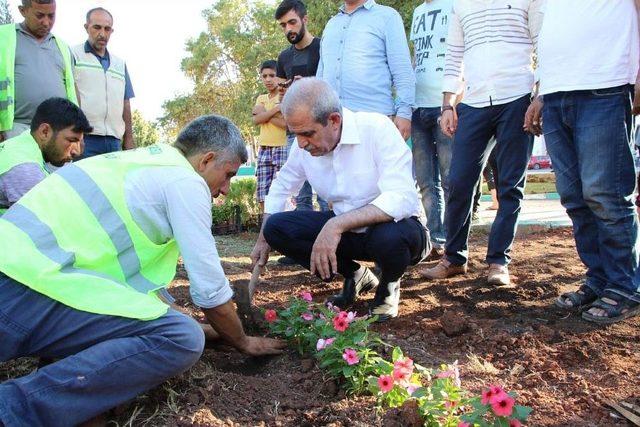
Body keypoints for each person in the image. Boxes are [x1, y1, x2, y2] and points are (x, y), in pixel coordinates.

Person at [0, 115, 285, 425]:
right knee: (183, 338)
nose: (227, 189)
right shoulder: (185, 182)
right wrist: (241, 341)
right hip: (22, 291)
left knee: (181, 327)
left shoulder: (137, 164)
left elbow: (138, 296)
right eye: (228, 174)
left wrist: (210, 329)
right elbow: (210, 290)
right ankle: (15, 410)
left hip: (21, 285)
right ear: (207, 160)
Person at [250, 78, 429, 321]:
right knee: (276, 228)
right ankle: (355, 275)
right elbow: (282, 186)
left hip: (395, 230)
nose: (301, 144)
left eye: (307, 134)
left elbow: (402, 198)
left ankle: (389, 284)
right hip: (348, 234)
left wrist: (336, 224)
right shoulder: (303, 147)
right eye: (296, 134)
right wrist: (263, 238)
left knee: (393, 237)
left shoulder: (376, 128)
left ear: (334, 120)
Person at [527, 0, 640, 324]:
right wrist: (541, 92)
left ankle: (625, 285)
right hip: (557, 92)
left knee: (604, 194)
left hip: (605, 86)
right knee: (574, 197)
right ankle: (600, 279)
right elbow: (554, 35)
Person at [422, 0, 544, 286]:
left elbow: (542, 43)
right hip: (474, 102)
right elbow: (453, 55)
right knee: (460, 180)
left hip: (517, 97)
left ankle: (498, 261)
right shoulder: (460, 4)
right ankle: (454, 258)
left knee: (510, 185)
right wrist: (447, 105)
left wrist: (540, 94)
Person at [316, 0, 415, 140]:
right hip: (333, 124)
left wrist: (404, 113)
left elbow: (403, 71)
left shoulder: (387, 17)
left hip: (374, 123)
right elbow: (321, 75)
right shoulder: (331, 24)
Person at [410, 0, 456, 260]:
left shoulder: (455, 5)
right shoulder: (417, 12)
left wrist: (453, 102)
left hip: (444, 105)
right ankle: (436, 237)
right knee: (427, 181)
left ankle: (454, 239)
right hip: (418, 107)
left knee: (451, 178)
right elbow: (417, 57)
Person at [275, 0, 328, 215]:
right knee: (301, 195)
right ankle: (304, 246)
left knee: (326, 192)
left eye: (292, 22)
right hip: (294, 133)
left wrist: (306, 86)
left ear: (304, 20)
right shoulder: (283, 57)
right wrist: (286, 93)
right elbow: (281, 99)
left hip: (321, 130)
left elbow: (331, 89)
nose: (288, 29)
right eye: (283, 25)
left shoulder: (323, 47)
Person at [0, 0, 77, 142]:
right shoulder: (3, 38)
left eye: (51, 16)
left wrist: (77, 129)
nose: (46, 22)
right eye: (40, 15)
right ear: (23, 11)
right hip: (15, 130)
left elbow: (72, 90)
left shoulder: (63, 47)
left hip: (57, 133)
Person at [0, 97, 90, 214]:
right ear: (45, 131)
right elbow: (40, 225)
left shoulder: (25, 142)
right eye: (71, 140)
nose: (77, 151)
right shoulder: (26, 168)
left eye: (80, 141)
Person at [72, 7, 136, 158]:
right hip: (85, 139)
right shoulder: (73, 55)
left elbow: (125, 103)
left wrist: (128, 138)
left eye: (107, 29)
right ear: (86, 27)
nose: (102, 34)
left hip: (114, 141)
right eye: (97, 27)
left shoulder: (120, 64)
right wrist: (75, 134)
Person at [252, 60, 287, 212]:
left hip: (282, 147)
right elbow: (256, 120)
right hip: (264, 149)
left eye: (272, 75)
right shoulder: (261, 98)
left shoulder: (285, 97)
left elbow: (286, 124)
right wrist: (275, 110)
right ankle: (265, 229)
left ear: (279, 77)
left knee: (282, 192)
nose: (268, 79)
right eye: (264, 76)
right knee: (262, 193)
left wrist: (265, 114)